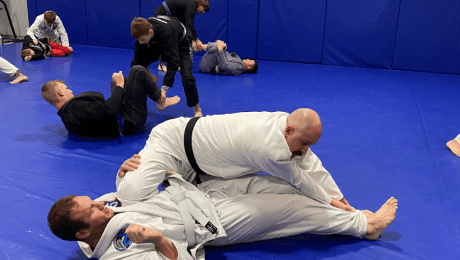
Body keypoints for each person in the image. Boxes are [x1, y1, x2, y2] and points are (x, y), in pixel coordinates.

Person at [47, 154, 398, 259]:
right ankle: (365, 227)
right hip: (212, 223)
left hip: (197, 193)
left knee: (277, 182)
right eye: (91, 209)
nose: (99, 204)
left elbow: (123, 195)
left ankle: (348, 212)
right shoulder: (118, 253)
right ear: (82, 231)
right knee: (290, 210)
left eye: (91, 200)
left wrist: (124, 172)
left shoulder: (103, 208)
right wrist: (158, 241)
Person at [115, 108, 356, 212]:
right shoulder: (270, 149)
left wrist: (341, 198)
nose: (305, 151)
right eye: (305, 144)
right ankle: (125, 172)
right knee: (130, 195)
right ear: (289, 130)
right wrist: (331, 202)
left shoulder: (287, 124)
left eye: (309, 145)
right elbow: (300, 180)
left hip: (200, 170)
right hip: (173, 143)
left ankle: (164, 180)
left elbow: (311, 164)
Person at [41, 65, 180, 137]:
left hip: (119, 117)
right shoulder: (75, 108)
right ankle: (160, 99)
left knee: (122, 80)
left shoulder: (67, 115)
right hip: (130, 121)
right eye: (66, 88)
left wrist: (119, 85)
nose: (70, 90)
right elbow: (109, 109)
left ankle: (150, 92)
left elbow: (101, 113)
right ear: (60, 92)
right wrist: (119, 86)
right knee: (137, 71)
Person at [130, 16, 202, 117]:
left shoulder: (166, 32)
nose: (140, 42)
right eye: (138, 40)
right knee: (135, 65)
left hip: (182, 44)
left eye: (142, 39)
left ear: (150, 32)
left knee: (187, 76)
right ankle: (161, 100)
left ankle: (197, 108)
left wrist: (164, 90)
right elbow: (138, 57)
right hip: (162, 42)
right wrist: (145, 71)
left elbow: (173, 63)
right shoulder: (143, 30)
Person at [155, 0, 210, 71]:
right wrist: (196, 40)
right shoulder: (192, 4)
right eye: (204, 10)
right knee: (168, 38)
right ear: (201, 5)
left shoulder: (189, 5)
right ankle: (161, 65)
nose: (202, 12)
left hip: (169, 14)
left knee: (178, 36)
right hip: (163, 13)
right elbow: (189, 24)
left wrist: (191, 41)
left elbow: (187, 25)